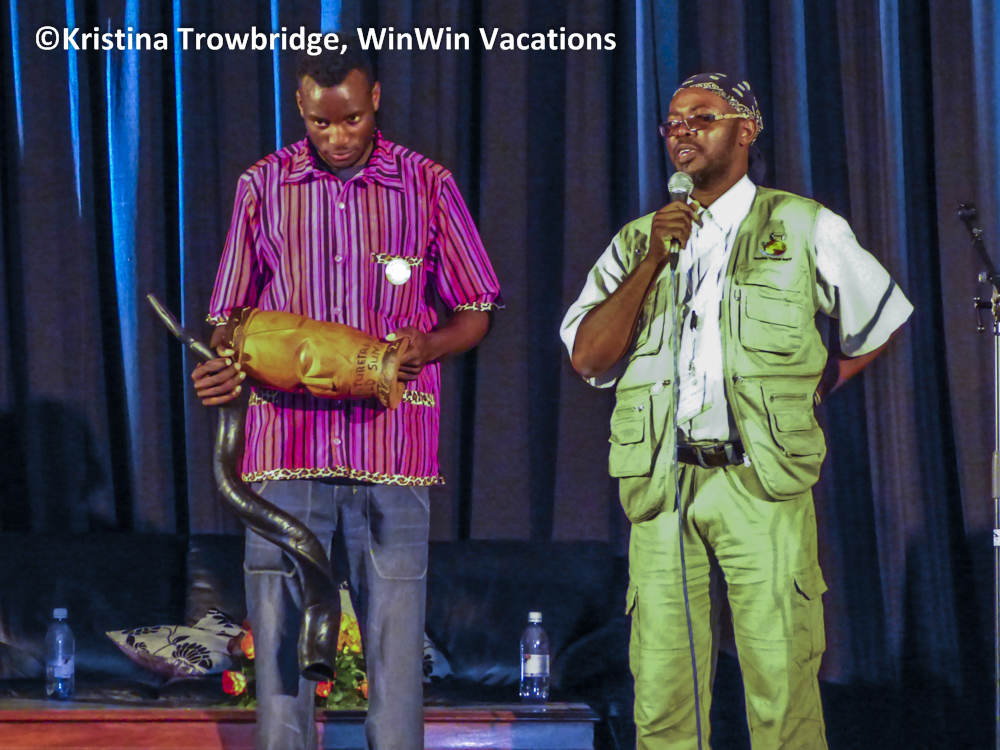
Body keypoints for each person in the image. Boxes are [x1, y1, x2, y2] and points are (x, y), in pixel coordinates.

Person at [561, 72, 912, 749]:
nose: (682, 131)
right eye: (673, 121)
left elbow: (880, 318)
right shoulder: (638, 240)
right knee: (662, 694)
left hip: (760, 480)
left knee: (781, 685)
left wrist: (816, 386)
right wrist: (652, 262)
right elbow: (588, 358)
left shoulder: (802, 224)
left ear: (746, 130)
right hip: (662, 484)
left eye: (702, 117)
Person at [191, 46, 501, 750]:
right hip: (284, 445)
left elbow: (476, 310)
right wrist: (221, 365)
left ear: (376, 99)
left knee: (395, 644)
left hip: (390, 446)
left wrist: (428, 344)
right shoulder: (263, 185)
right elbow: (228, 320)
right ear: (301, 109)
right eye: (320, 122)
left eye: (352, 119)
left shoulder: (427, 184)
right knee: (279, 639)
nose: (336, 136)